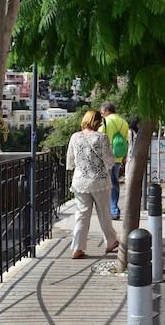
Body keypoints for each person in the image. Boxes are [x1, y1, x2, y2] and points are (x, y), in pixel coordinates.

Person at [66, 110, 119, 259]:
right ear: (96, 122)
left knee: (81, 215)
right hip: (99, 181)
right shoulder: (101, 138)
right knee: (104, 213)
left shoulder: (75, 137)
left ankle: (77, 248)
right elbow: (109, 162)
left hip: (80, 181)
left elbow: (70, 161)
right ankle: (111, 242)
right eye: (100, 123)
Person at [99, 101, 129, 220]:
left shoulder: (106, 122)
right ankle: (114, 208)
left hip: (107, 156)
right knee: (114, 183)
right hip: (119, 156)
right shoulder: (124, 122)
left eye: (102, 113)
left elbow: (100, 137)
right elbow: (126, 141)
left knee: (106, 185)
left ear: (106, 111)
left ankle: (112, 210)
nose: (101, 115)